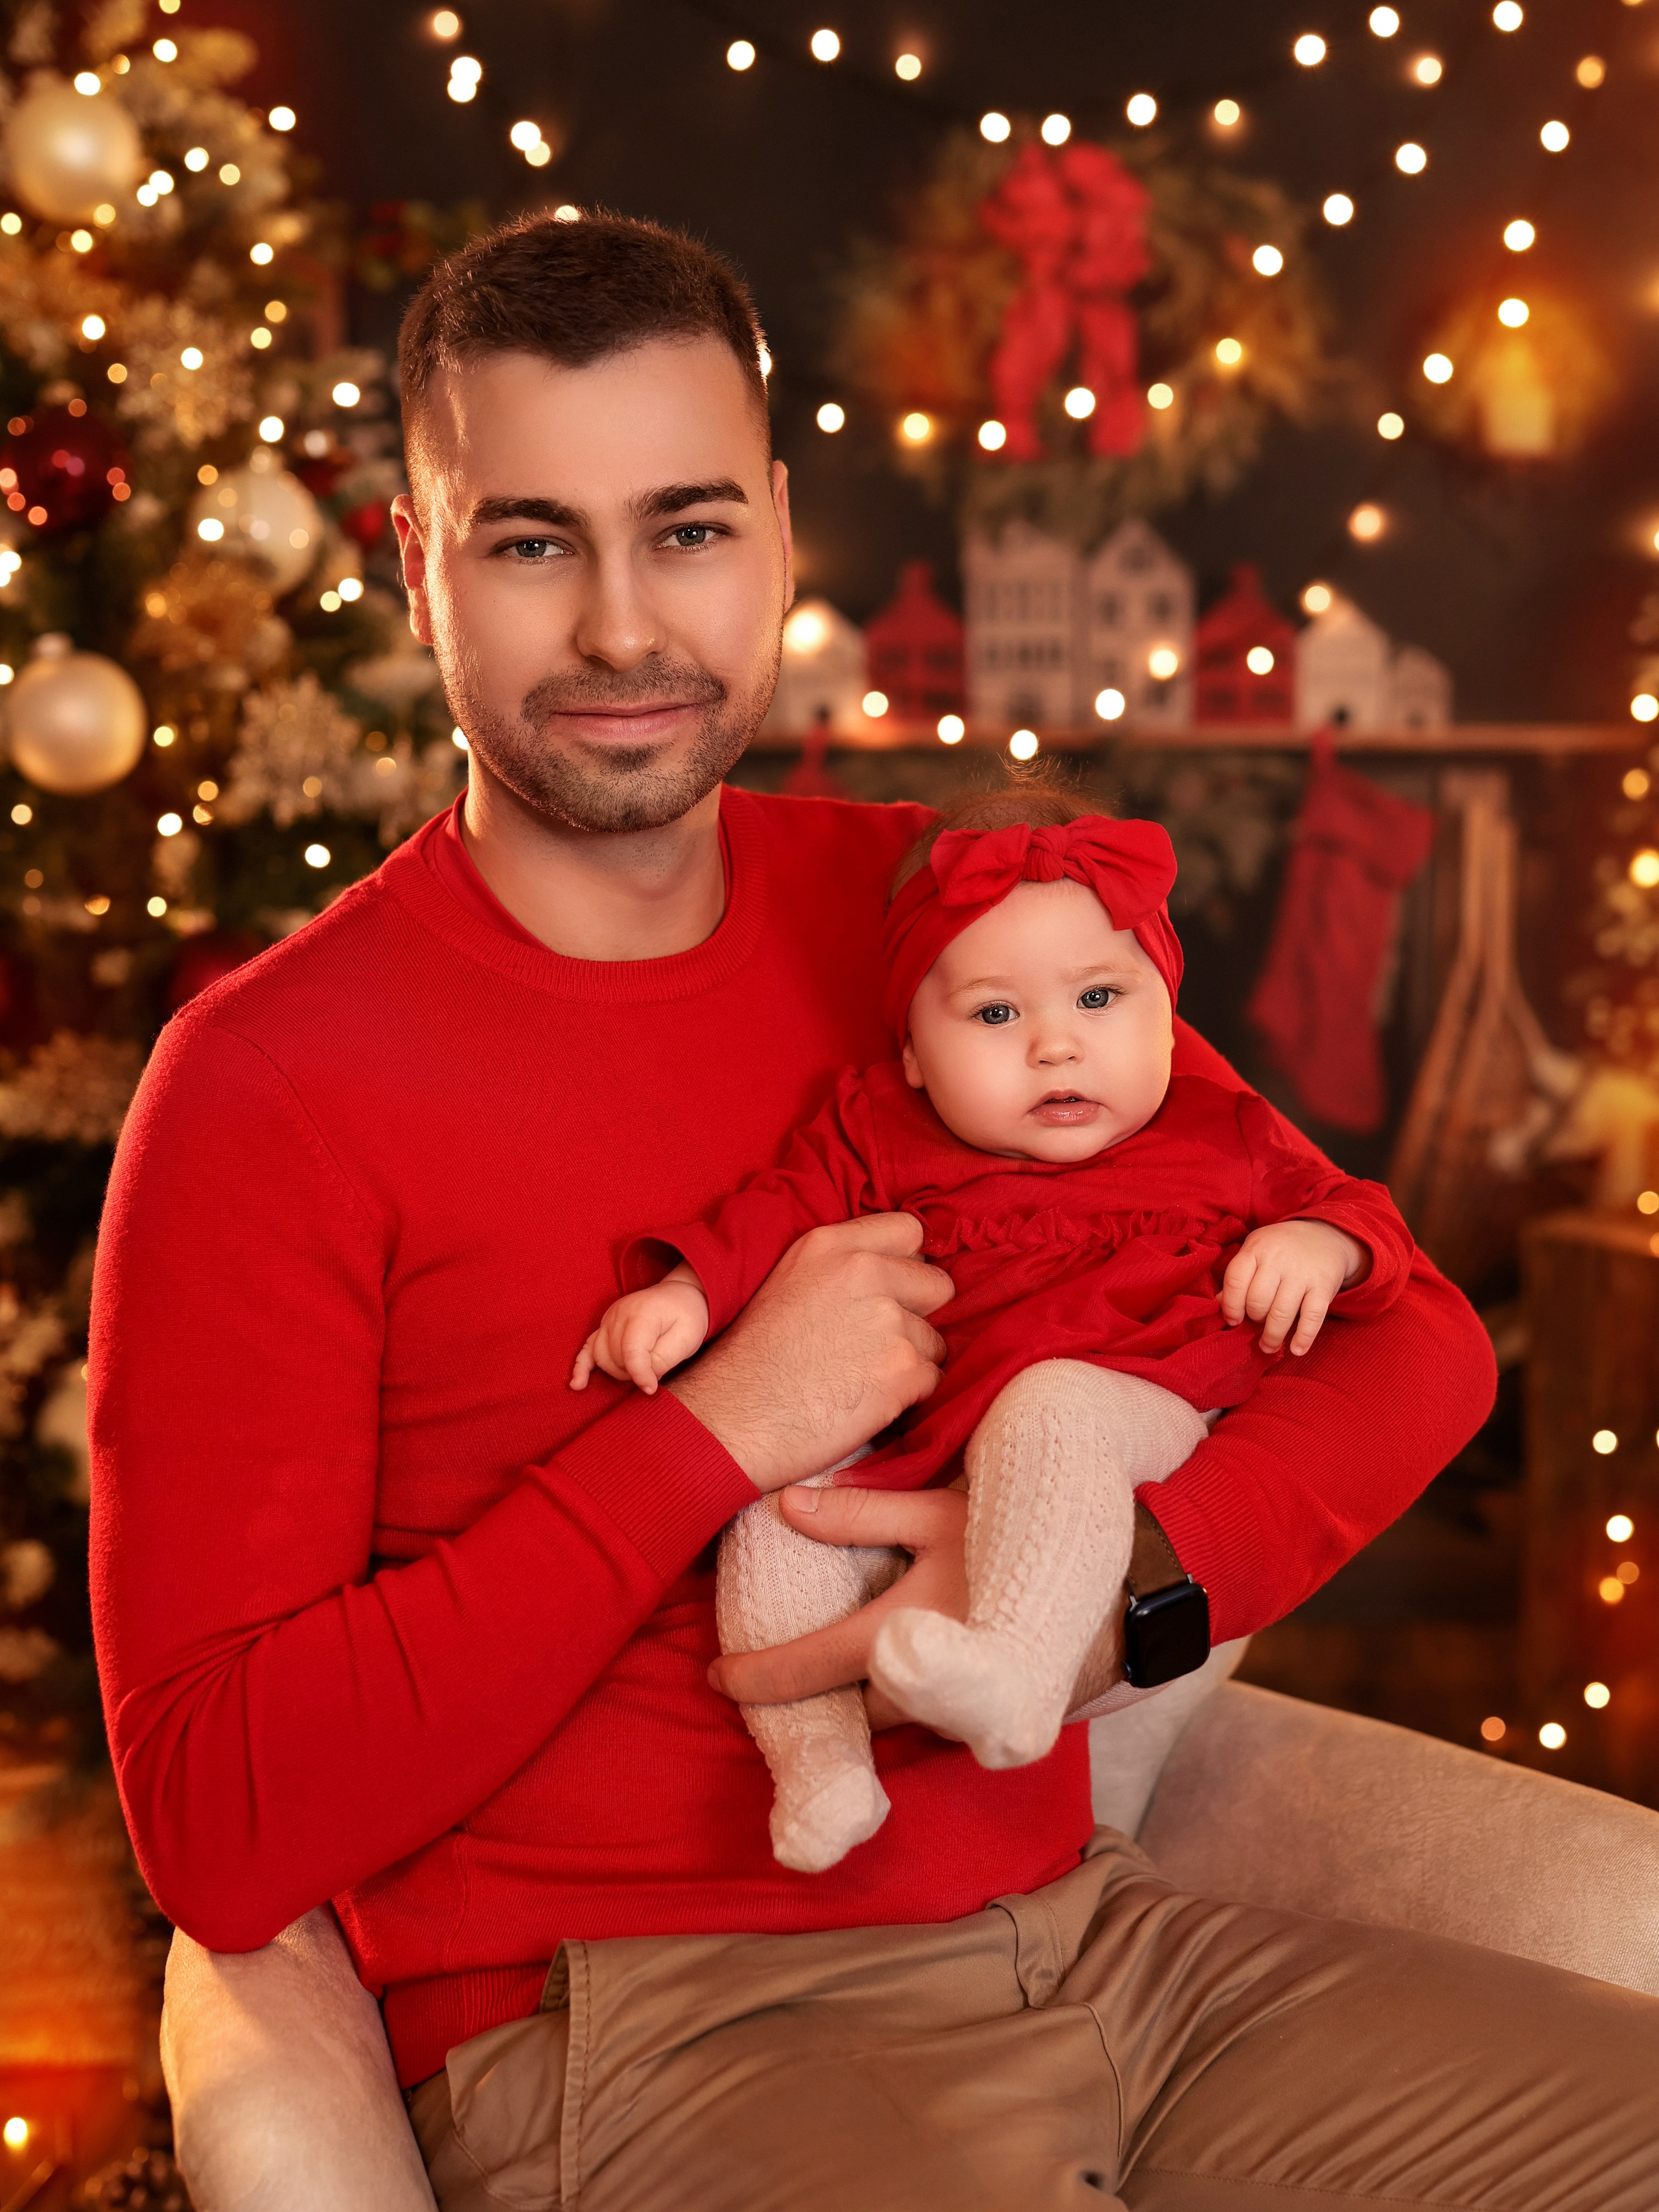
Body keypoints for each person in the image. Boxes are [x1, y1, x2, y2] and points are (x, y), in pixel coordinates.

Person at [88, 211, 1659, 2211]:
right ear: (418, 566)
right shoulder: (267, 1082)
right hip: (651, 2029)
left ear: (777, 530)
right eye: (531, 540)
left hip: (1110, 1950)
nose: (624, 629)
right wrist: (717, 1430)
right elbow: (220, 1821)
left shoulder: (946, 921)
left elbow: (1408, 1332)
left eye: (687, 526)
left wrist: (1119, 1599)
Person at [576, 797, 1415, 1872]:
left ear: (1169, 1018)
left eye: (1102, 998)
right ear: (915, 1052)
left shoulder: (1225, 1134)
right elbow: (778, 1209)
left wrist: (1320, 1243)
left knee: (1053, 1399)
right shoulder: (878, 1128)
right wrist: (690, 1291)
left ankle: (1016, 1669)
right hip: (943, 1443)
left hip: (1140, 1417)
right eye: (993, 1016)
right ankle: (821, 1764)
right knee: (784, 1510)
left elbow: (1369, 1222)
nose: (1057, 1044)